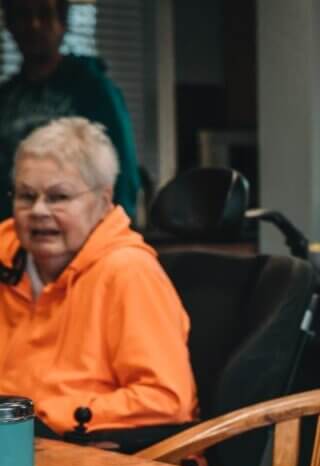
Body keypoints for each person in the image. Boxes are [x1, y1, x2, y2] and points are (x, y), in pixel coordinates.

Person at [0, 117, 195, 437]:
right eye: (26, 195)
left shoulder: (129, 272)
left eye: (58, 197)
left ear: (103, 201)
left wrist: (37, 417)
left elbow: (166, 401)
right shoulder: (5, 253)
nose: (38, 211)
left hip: (101, 453)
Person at [0, 0, 140, 221]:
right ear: (10, 25)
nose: (34, 25)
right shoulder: (6, 98)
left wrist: (114, 230)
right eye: (23, 15)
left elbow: (123, 171)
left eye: (44, 14)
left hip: (80, 231)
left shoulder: (95, 90)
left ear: (62, 22)